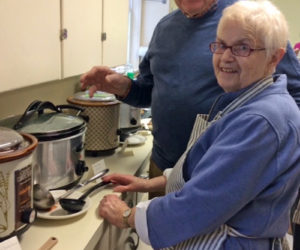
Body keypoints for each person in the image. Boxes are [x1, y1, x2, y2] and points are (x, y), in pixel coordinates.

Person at [98, 1, 300, 249]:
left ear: (274, 58)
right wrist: (151, 184)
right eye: (221, 46)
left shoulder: (260, 120)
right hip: (170, 168)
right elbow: (211, 170)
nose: (226, 57)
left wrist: (127, 216)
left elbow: (200, 204)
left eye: (243, 48)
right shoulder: (238, 102)